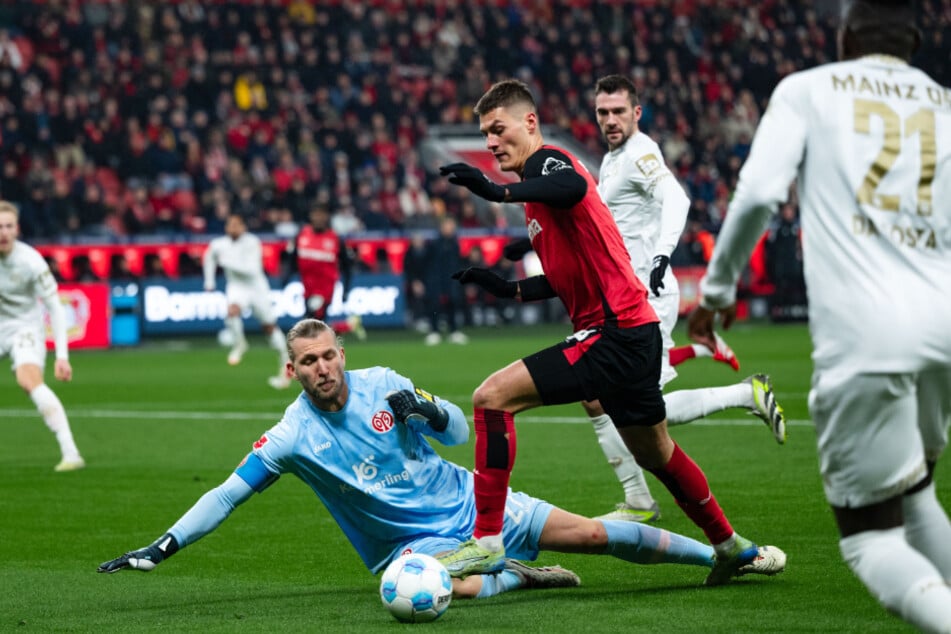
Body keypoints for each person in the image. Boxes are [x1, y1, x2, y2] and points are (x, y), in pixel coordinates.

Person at [96, 319, 786, 599]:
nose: (321, 368)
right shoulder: (289, 438)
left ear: (341, 352)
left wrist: (427, 409)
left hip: (473, 506)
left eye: (328, 355)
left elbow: (461, 431)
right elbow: (227, 492)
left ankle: (731, 553)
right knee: (432, 594)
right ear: (292, 371)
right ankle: (517, 577)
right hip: (412, 544)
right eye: (306, 362)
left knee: (597, 534)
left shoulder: (383, 384)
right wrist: (164, 545)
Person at [437, 79, 782, 585]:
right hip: (633, 333)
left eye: (497, 128)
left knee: (491, 398)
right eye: (484, 133)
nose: (490, 142)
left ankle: (487, 542)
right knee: (656, 452)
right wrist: (506, 289)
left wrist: (496, 191)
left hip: (614, 331)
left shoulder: (549, 162)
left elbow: (574, 185)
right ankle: (731, 546)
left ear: (529, 123)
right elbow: (565, 279)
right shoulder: (540, 200)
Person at [686, 1, 951, 629]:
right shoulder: (943, 102)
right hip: (944, 323)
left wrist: (718, 291)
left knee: (869, 538)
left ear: (845, 37)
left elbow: (756, 194)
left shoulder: (809, 90)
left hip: (868, 334)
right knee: (915, 494)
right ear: (914, 42)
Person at [576, 74, 788, 524]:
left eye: (619, 111)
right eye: (602, 112)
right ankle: (639, 497)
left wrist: (660, 255)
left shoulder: (640, 153)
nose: (610, 120)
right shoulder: (612, 160)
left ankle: (640, 498)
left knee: (628, 405)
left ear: (636, 113)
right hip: (622, 295)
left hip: (646, 293)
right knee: (600, 399)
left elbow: (678, 198)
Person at [0, 201, 84, 472]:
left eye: (9, 226)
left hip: (24, 326)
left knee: (28, 380)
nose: (3, 232)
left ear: (17, 229)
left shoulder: (31, 262)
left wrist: (62, 356)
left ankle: (71, 452)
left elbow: (55, 307)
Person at [202, 212, 290, 389]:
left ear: (243, 227)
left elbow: (251, 269)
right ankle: (240, 344)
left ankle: (285, 364)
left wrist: (226, 263)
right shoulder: (219, 244)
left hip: (257, 288)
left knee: (269, 327)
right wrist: (209, 280)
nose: (232, 228)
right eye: (230, 224)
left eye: (236, 225)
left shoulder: (252, 242)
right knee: (232, 310)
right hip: (237, 287)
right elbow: (208, 258)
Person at [280, 203, 365, 340]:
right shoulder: (302, 235)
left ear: (327, 217)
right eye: (316, 214)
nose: (318, 218)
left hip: (325, 289)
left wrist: (346, 289)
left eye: (322, 214)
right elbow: (292, 260)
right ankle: (348, 325)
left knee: (311, 322)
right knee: (316, 328)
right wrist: (286, 277)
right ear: (311, 216)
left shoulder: (334, 238)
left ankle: (311, 356)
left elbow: (347, 266)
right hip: (307, 287)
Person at [422, 216, 469, 346]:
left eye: (452, 225)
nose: (450, 228)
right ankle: (434, 331)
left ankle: (454, 331)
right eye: (448, 225)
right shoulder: (433, 244)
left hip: (451, 278)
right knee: (434, 304)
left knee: (453, 303)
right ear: (442, 227)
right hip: (436, 278)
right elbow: (426, 263)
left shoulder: (455, 243)